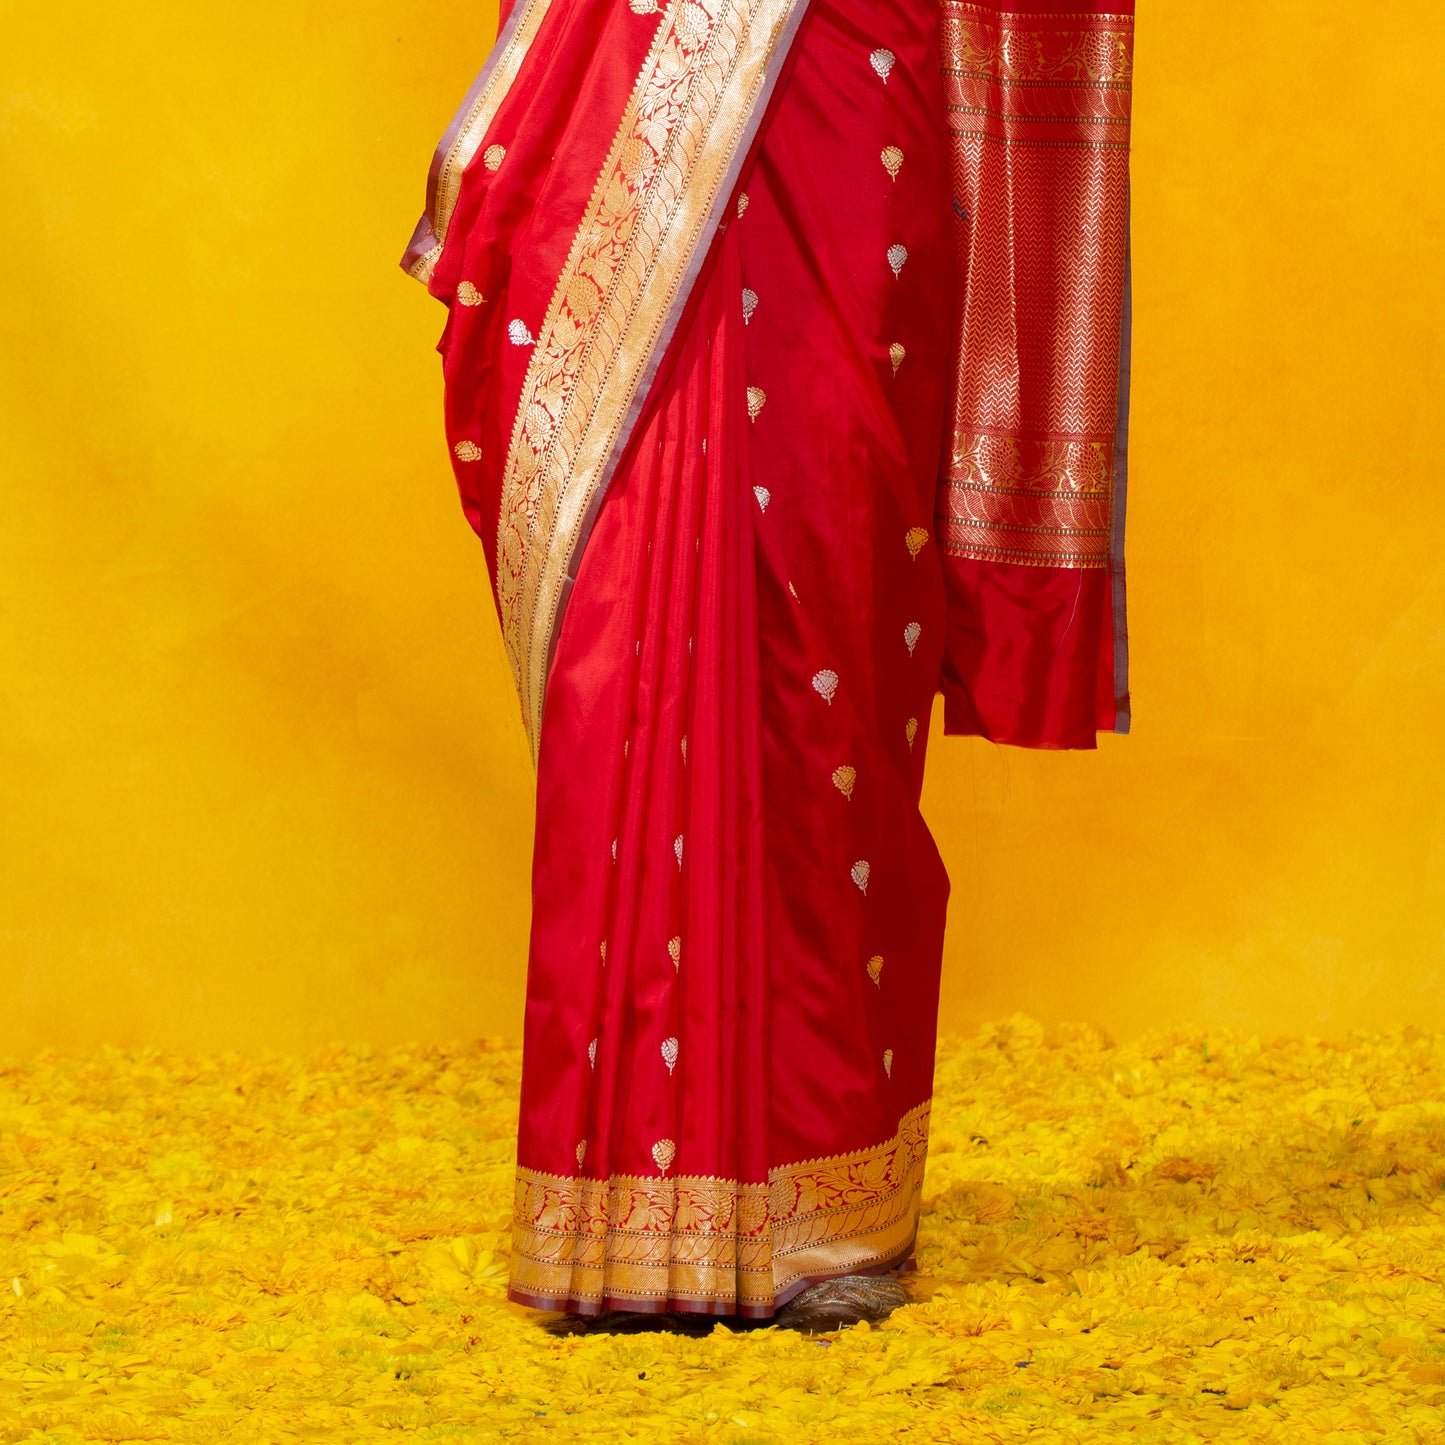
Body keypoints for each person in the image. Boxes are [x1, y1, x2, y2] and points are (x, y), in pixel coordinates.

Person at [402, 0, 1135, 1328]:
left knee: (829, 608)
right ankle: (613, 1214)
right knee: (626, 645)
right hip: (627, 104)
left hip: (851, 109)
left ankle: (824, 1209)